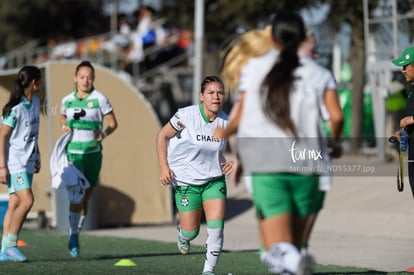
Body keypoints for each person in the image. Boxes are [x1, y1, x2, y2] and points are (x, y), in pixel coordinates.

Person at [214, 11, 339, 274]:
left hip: (267, 165)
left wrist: (222, 136)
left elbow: (236, 118)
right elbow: (336, 117)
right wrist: (335, 143)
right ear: (303, 37)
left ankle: (293, 261)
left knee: (277, 249)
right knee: (294, 243)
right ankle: (295, 259)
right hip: (309, 165)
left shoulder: (254, 69)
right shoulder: (320, 73)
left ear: (271, 37)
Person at [156, 76, 232, 275]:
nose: (216, 97)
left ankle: (209, 271)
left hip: (214, 181)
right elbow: (162, 136)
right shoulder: (185, 116)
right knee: (192, 231)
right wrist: (164, 167)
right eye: (211, 93)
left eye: (220, 93)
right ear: (201, 96)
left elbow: (219, 152)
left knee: (216, 227)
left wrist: (227, 162)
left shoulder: (225, 121)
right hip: (186, 181)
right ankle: (183, 235)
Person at [60, 60, 118, 257]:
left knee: (86, 198)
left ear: (93, 79)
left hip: (93, 153)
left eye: (89, 77)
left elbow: (113, 123)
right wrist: (64, 126)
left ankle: (77, 228)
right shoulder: (67, 100)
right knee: (76, 193)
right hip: (74, 153)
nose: (85, 80)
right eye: (82, 77)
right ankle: (73, 235)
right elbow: (62, 117)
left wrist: (105, 134)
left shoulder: (100, 99)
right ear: (75, 78)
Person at [0, 65, 42, 262]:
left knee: (15, 203)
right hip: (14, 163)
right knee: (27, 201)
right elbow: (2, 137)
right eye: (39, 80)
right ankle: (10, 246)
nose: (41, 84)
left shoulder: (35, 102)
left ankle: (3, 250)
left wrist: (37, 155)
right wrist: (1, 166)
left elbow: (33, 133)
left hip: (28, 161)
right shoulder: (14, 109)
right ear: (33, 82)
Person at [392, 46, 414, 197]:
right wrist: (404, 133)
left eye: (405, 66)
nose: (403, 70)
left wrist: (412, 119)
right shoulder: (412, 88)